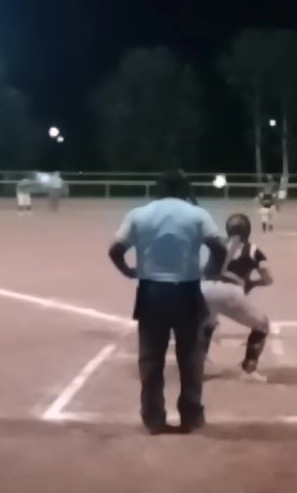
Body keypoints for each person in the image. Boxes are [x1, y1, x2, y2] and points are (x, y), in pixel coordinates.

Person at [108, 170, 229, 435]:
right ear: (184, 189)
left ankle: (153, 418)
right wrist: (210, 269)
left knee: (151, 358)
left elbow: (115, 250)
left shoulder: (139, 214)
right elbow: (219, 247)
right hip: (187, 290)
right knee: (191, 357)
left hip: (151, 291)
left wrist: (129, 271)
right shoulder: (197, 214)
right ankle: (191, 415)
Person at [199, 213, 275, 382]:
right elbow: (268, 279)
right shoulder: (253, 250)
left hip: (203, 288)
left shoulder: (217, 243)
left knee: (207, 323)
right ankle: (248, 370)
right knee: (262, 325)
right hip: (230, 292)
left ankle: (197, 368)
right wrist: (253, 283)